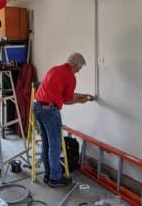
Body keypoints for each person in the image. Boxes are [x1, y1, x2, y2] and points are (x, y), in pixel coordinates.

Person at [33, 52, 94, 187]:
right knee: (54, 145)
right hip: (49, 111)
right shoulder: (70, 77)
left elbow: (64, 93)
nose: (78, 71)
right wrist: (80, 101)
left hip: (37, 106)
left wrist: (81, 95)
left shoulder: (55, 69)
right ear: (75, 65)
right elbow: (67, 100)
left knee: (46, 143)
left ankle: (48, 175)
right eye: (79, 68)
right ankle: (55, 178)